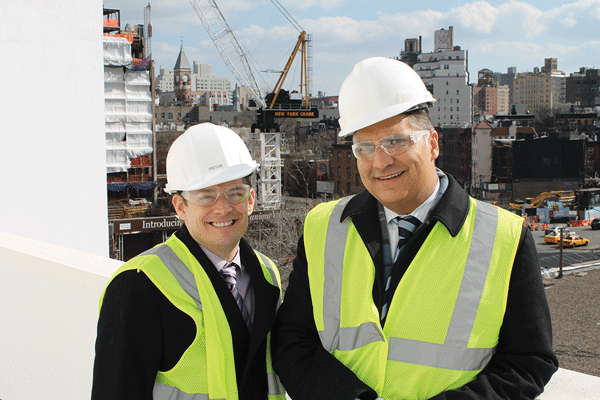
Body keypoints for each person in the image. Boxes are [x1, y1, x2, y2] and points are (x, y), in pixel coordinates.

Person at [271, 57, 558, 400]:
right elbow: (292, 339)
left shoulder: (504, 238)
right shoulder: (323, 227)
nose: (381, 161)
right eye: (365, 148)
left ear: (433, 143)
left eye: (397, 141)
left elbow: (528, 362)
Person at [92, 123, 285, 400]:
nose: (223, 207)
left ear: (251, 200)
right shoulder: (139, 285)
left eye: (235, 193)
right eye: (206, 196)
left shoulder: (268, 274)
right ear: (180, 207)